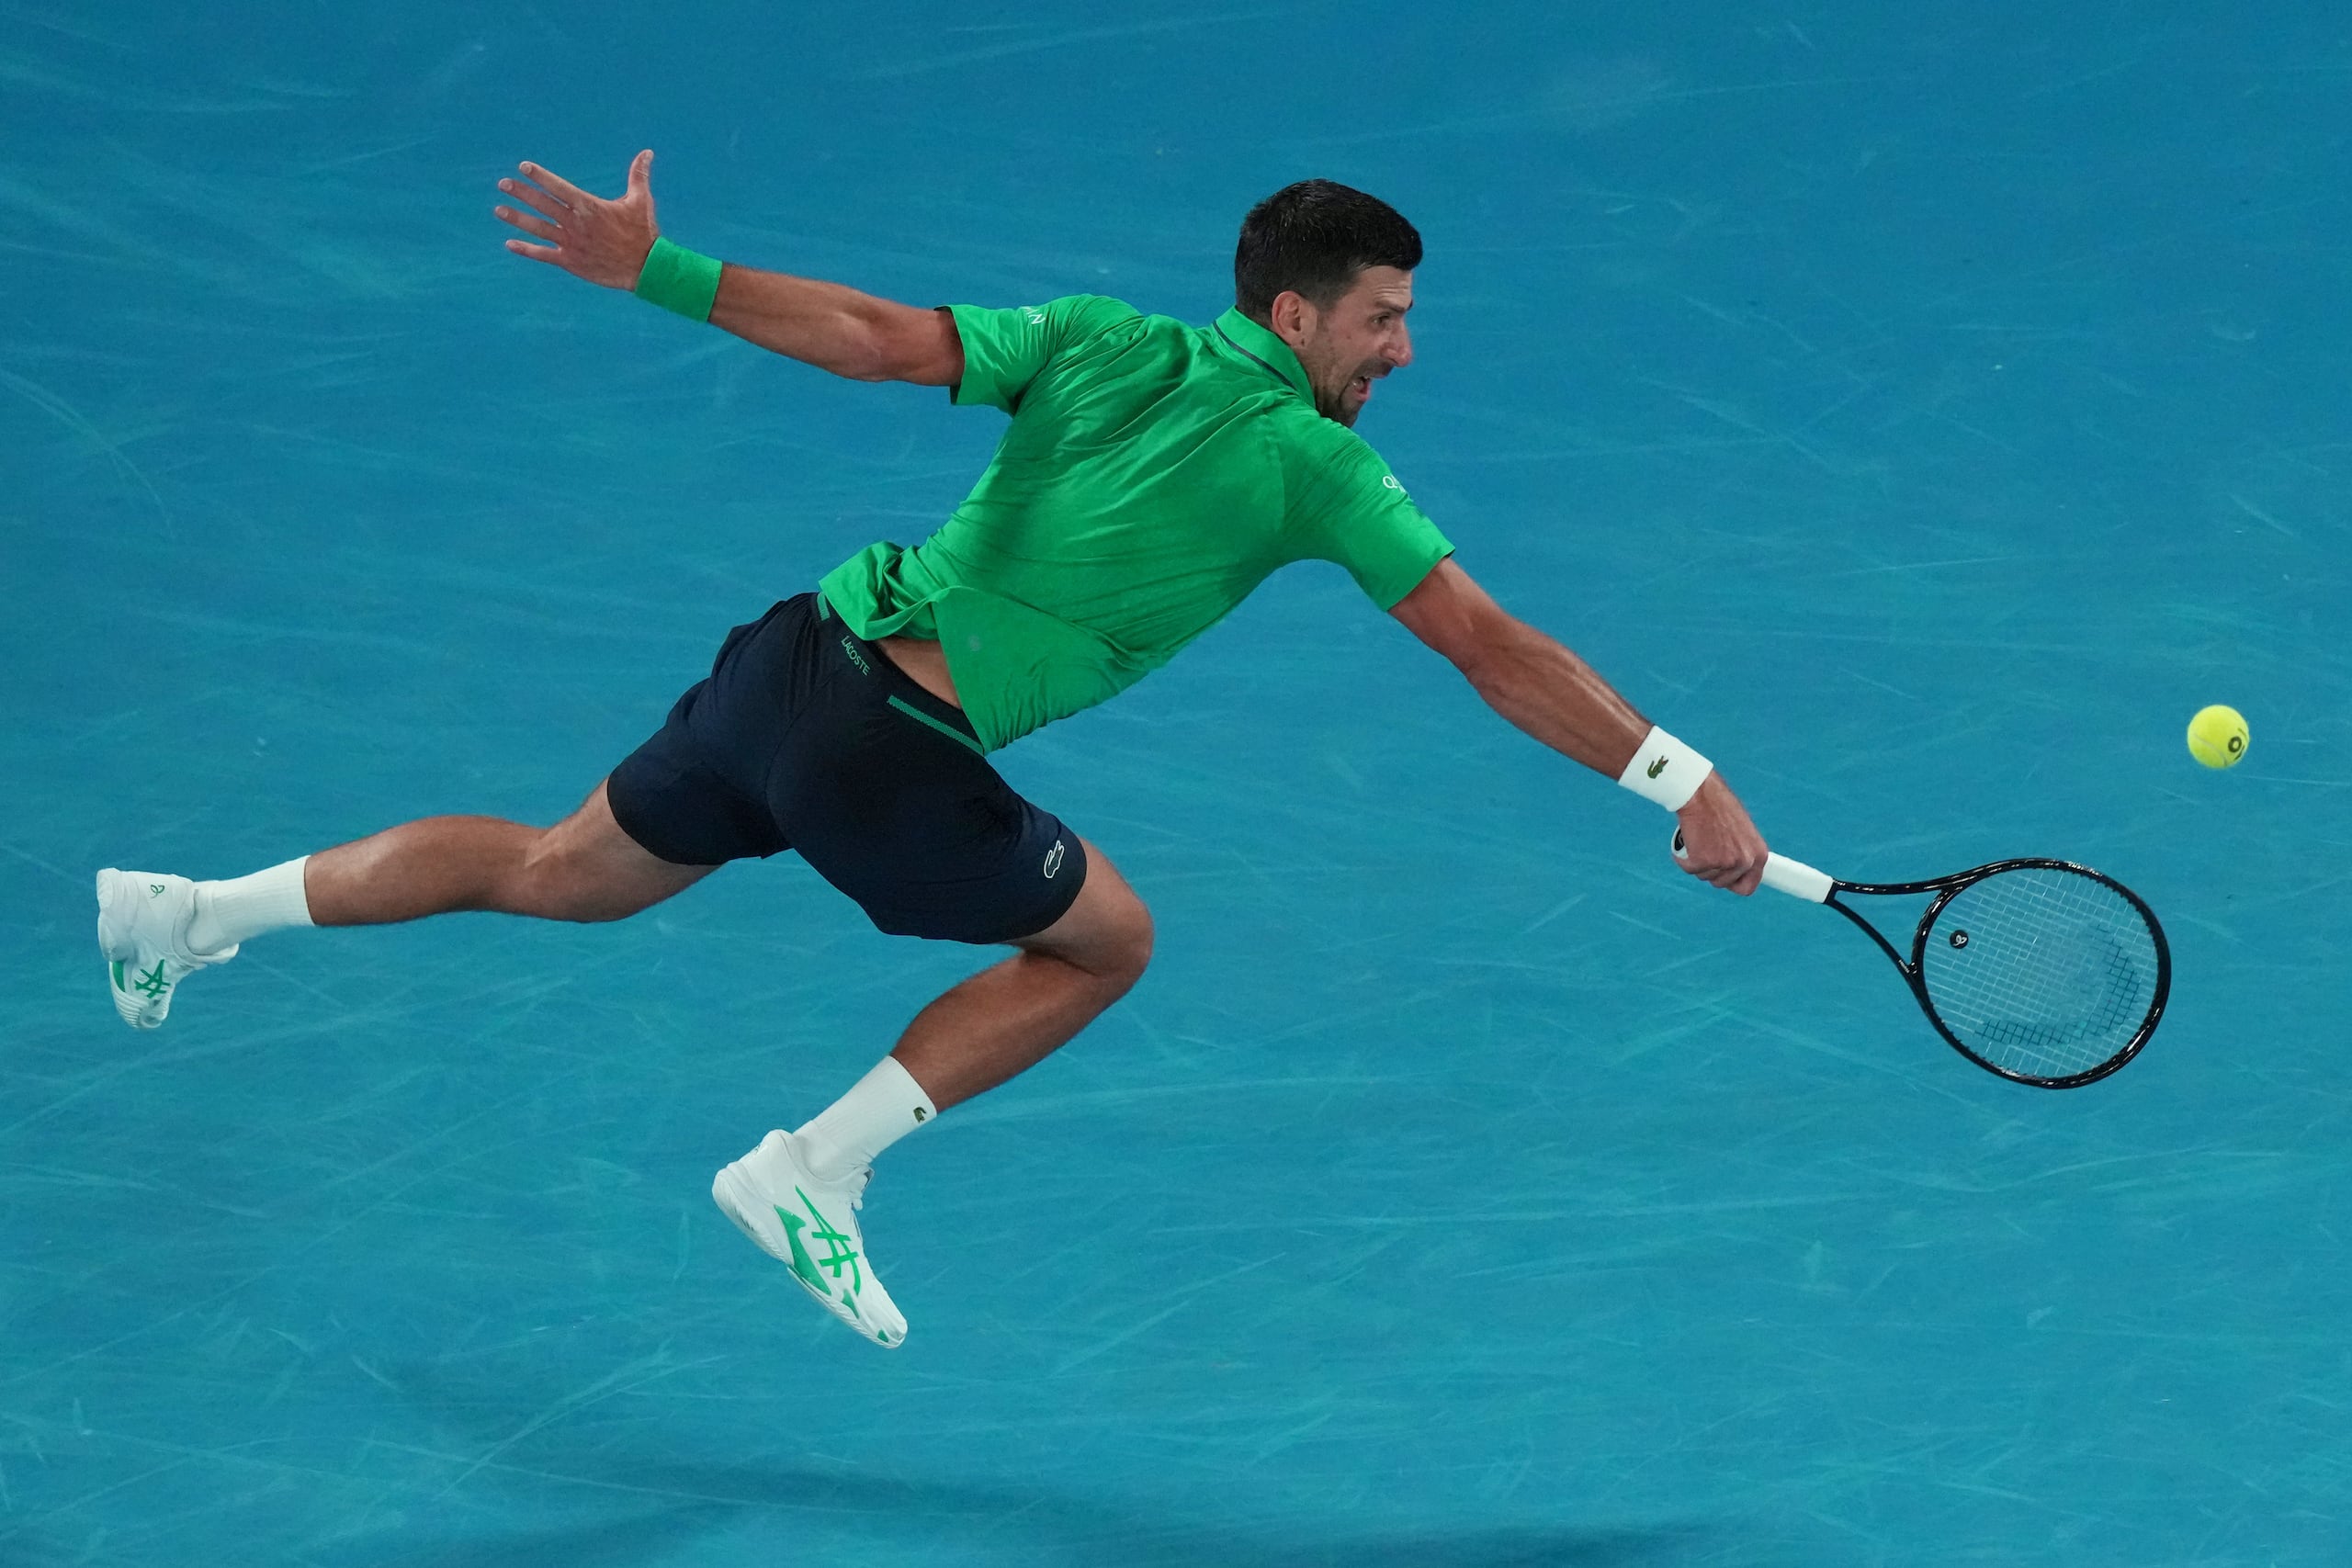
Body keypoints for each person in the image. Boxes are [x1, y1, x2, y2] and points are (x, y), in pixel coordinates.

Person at [96, 152, 1769, 1348]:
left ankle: (188, 911)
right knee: (1106, 942)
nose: (1400, 350)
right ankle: (809, 1172)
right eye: (1383, 320)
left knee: (557, 871)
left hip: (795, 659)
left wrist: (660, 270)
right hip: (893, 749)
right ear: (1295, 313)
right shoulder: (1318, 469)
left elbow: (876, 334)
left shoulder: (1104, 334)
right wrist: (1682, 781)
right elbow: (1492, 648)